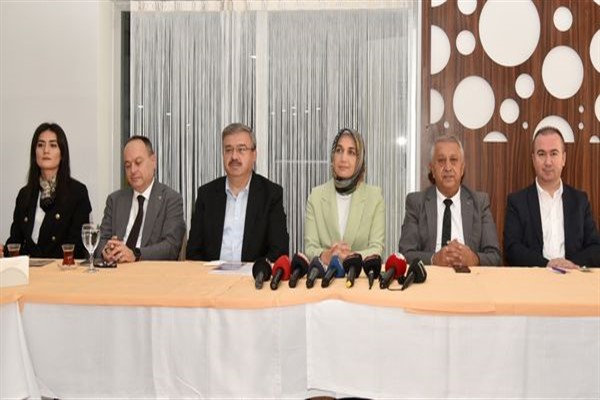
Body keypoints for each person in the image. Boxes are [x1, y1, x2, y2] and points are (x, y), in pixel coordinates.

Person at [186, 123, 289, 262]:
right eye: (228, 150)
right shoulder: (207, 195)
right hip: (211, 274)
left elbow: (279, 251)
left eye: (241, 149)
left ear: (254, 155)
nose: (234, 156)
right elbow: (193, 252)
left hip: (253, 274)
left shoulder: (271, 195)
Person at [504, 126, 600, 268]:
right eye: (541, 154)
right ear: (533, 159)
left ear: (563, 158)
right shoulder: (517, 202)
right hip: (534, 278)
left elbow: (596, 247)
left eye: (554, 153)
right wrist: (547, 265)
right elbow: (512, 249)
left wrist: (570, 264)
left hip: (573, 276)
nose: (548, 162)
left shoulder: (580, 201)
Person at [398, 135, 501, 266]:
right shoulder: (416, 203)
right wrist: (434, 259)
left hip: (469, 276)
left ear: (462, 168)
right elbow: (406, 253)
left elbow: (495, 256)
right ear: (432, 169)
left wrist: (474, 259)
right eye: (441, 160)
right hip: (431, 276)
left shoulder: (479, 202)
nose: (447, 167)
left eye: (453, 160)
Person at [4, 122, 92, 258]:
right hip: (28, 267)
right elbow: (15, 241)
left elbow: (77, 248)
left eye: (53, 145)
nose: (46, 150)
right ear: (34, 153)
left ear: (62, 154)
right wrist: (5, 251)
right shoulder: (24, 194)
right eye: (40, 145)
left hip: (62, 268)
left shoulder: (77, 192)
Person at [97, 136, 186, 263]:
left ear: (153, 161)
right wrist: (106, 251)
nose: (133, 170)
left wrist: (136, 254)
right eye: (128, 165)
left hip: (149, 271)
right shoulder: (115, 200)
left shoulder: (171, 200)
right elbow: (100, 241)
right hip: (116, 269)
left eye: (138, 163)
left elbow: (170, 247)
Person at [304, 128, 385, 264]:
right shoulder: (316, 196)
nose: (343, 158)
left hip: (360, 275)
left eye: (351, 152)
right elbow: (310, 248)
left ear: (359, 160)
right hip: (325, 275)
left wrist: (349, 257)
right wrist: (327, 255)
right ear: (333, 157)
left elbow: (377, 249)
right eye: (339, 150)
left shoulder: (374, 197)